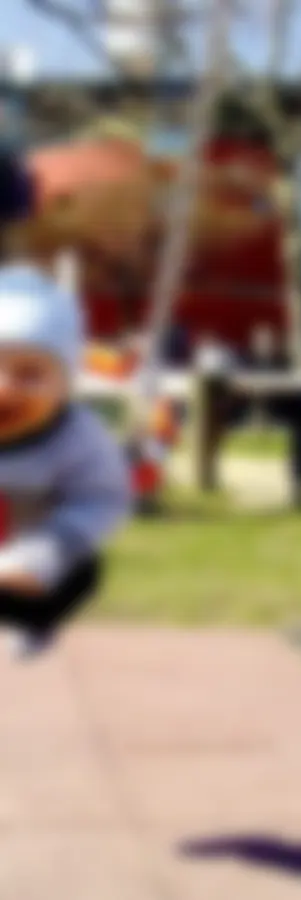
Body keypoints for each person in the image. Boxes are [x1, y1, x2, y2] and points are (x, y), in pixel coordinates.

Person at [0, 265, 134, 660]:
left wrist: (51, 547)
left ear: (65, 386)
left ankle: (33, 621)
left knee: (81, 571)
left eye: (29, 375)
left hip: (40, 538)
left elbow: (103, 497)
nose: (4, 388)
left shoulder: (78, 438)